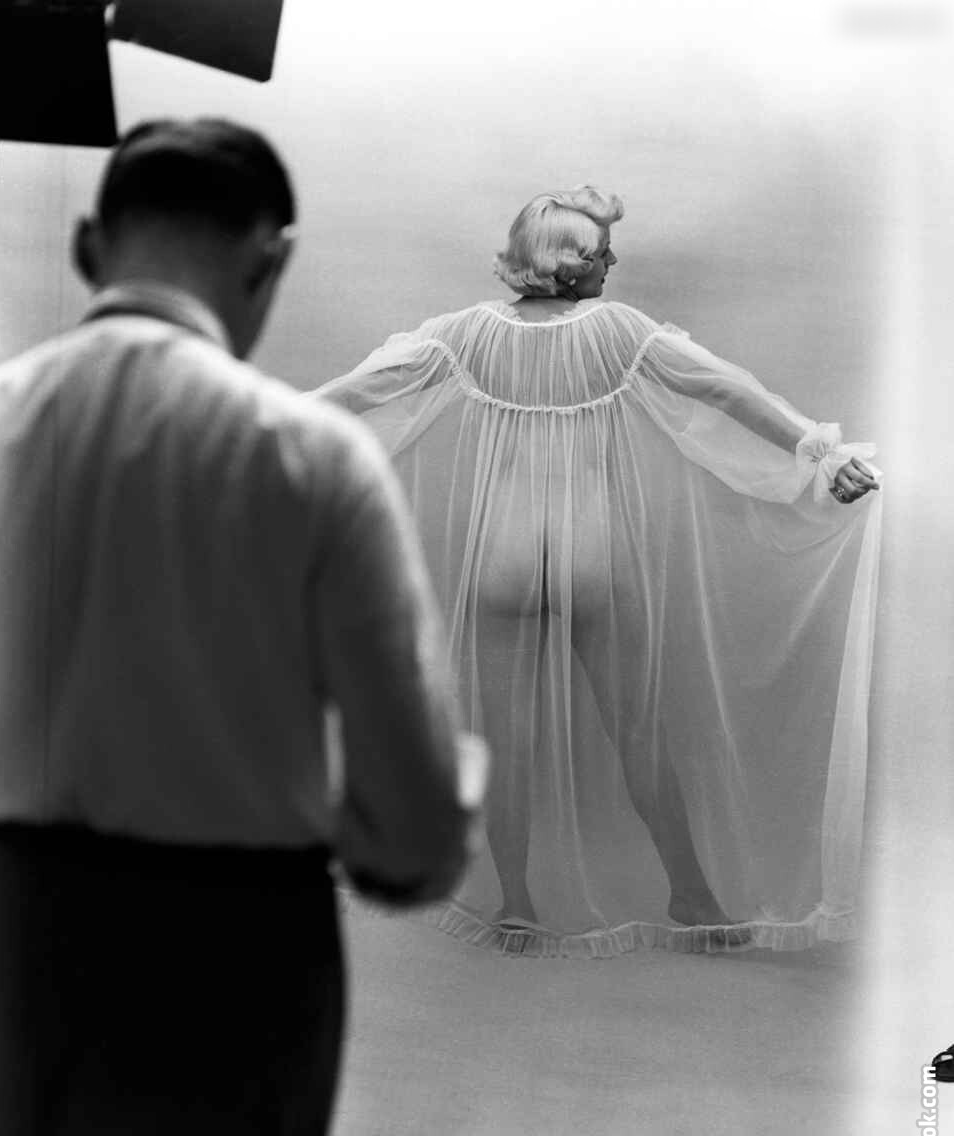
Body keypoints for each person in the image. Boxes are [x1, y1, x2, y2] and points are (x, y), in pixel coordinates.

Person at [0, 118, 484, 1136]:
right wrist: (393, 843)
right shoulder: (312, 460)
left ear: (89, 246)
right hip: (218, 965)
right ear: (269, 260)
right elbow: (410, 825)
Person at [313, 185, 882, 959]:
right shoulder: (619, 333)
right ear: (566, 264)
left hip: (502, 554)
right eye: (600, 252)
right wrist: (821, 451)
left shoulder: (463, 336)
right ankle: (693, 895)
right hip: (592, 550)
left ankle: (516, 905)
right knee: (641, 735)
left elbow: (356, 392)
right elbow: (723, 387)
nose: (611, 263)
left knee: (501, 740)